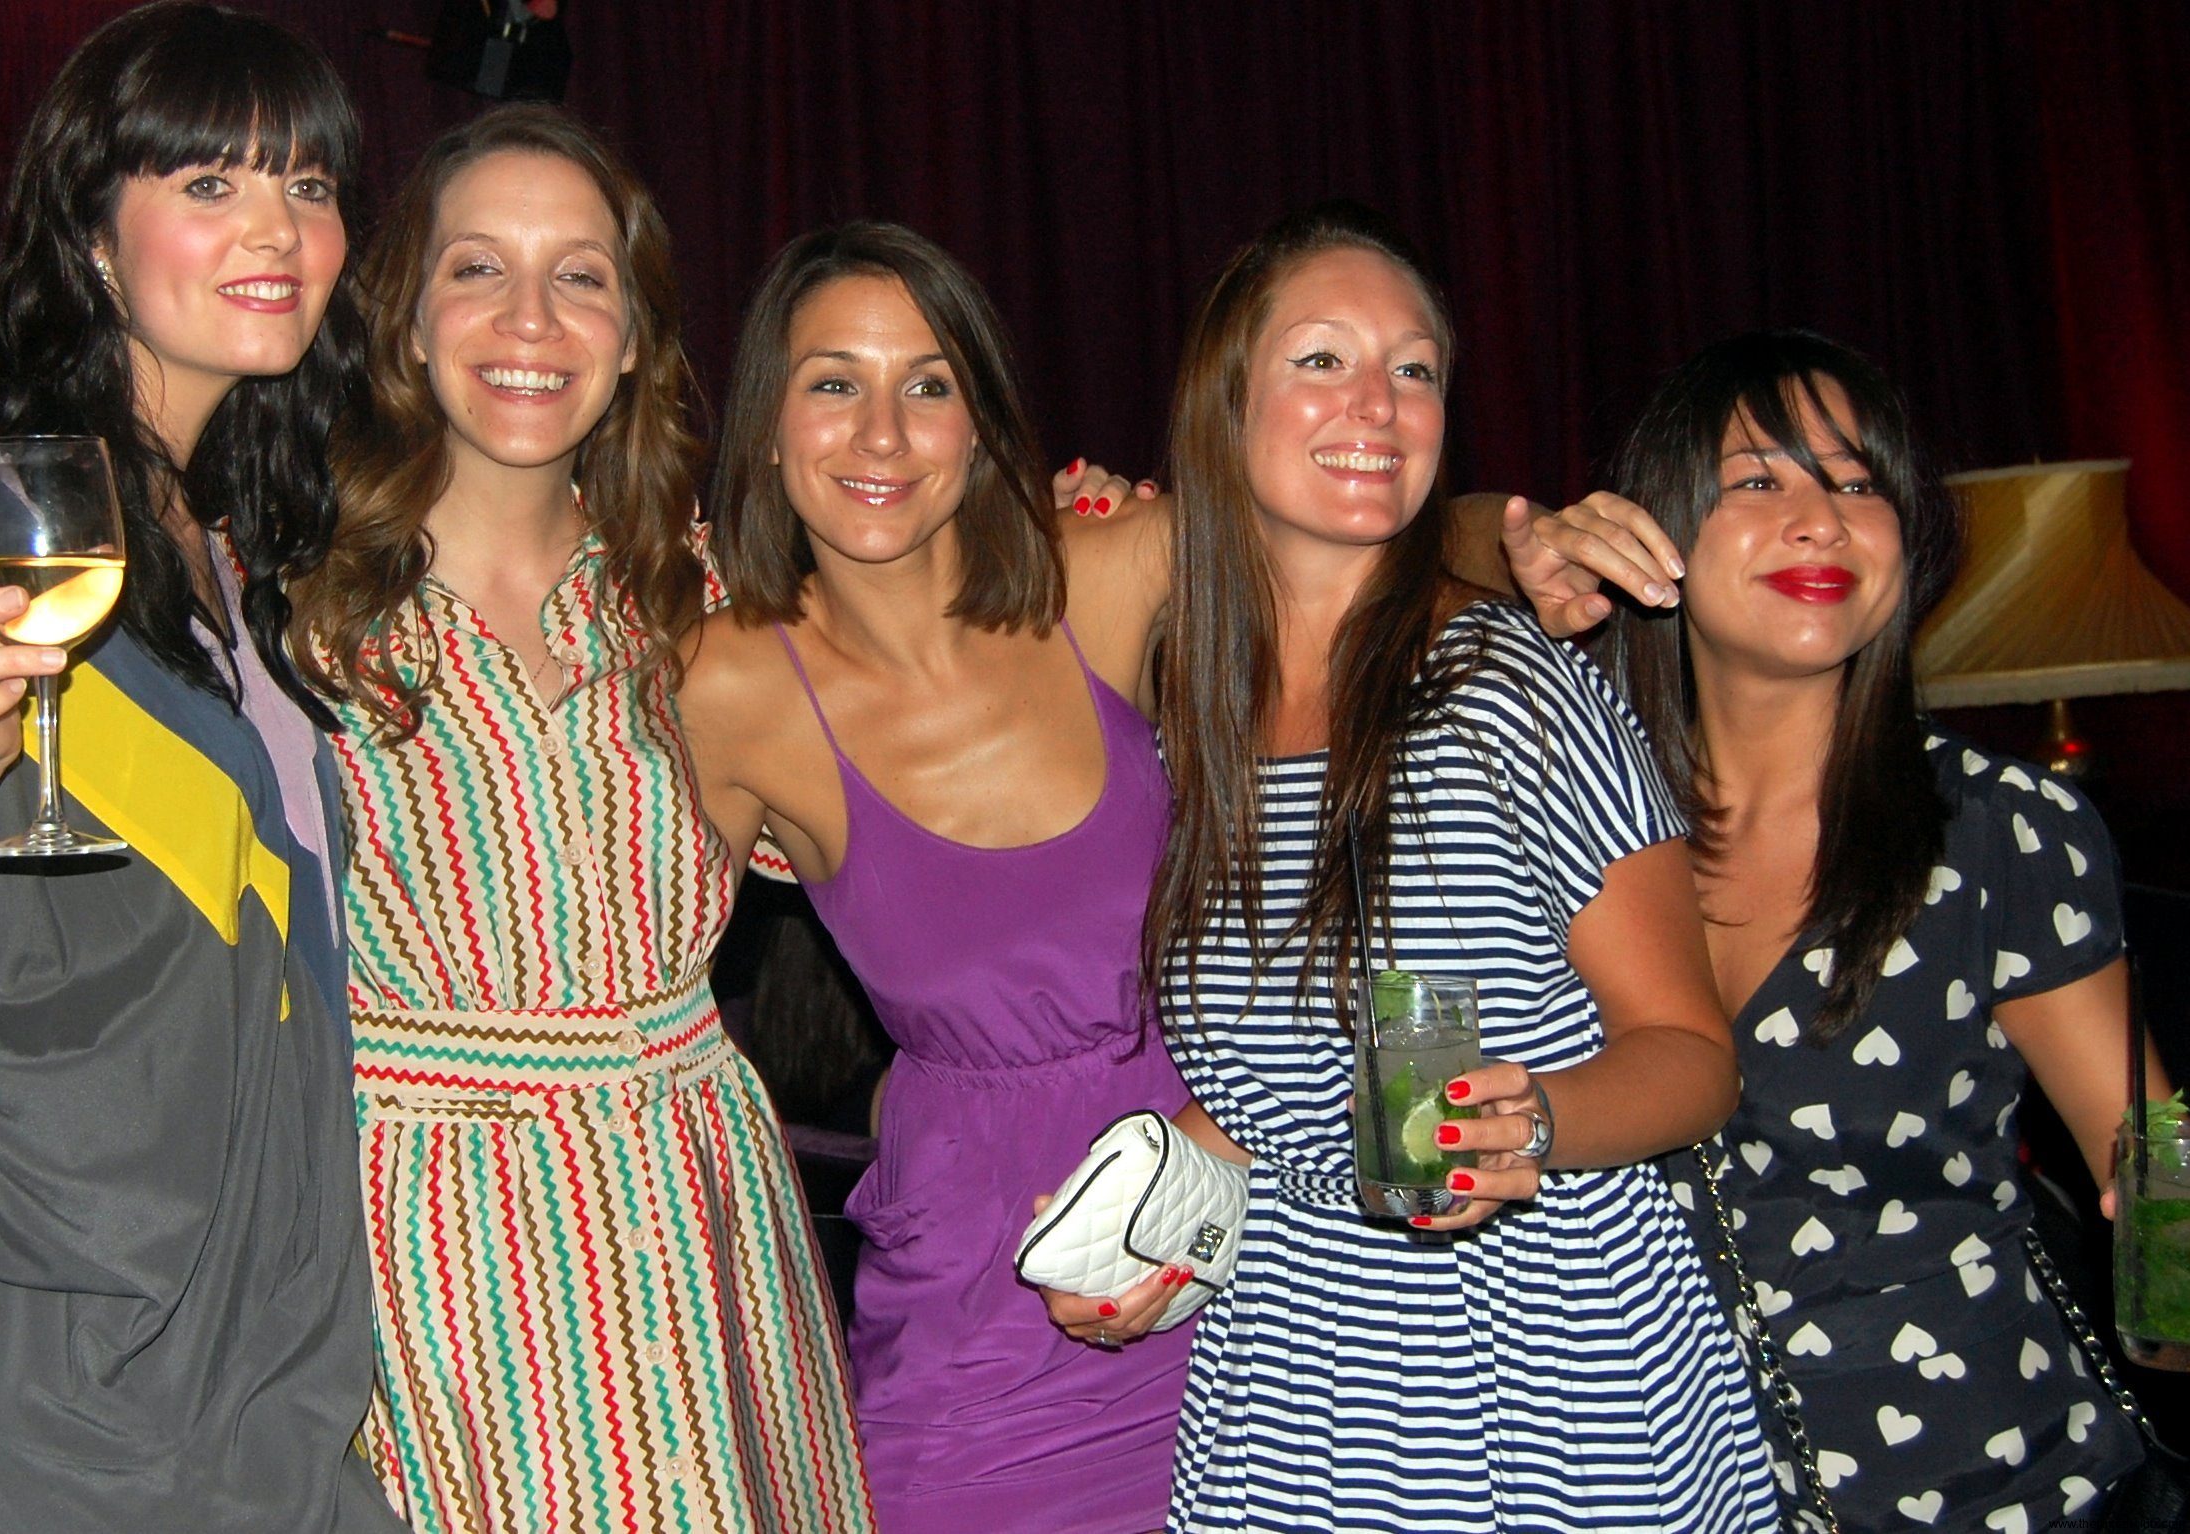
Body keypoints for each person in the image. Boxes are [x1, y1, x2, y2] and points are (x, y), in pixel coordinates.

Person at [0, 5, 403, 1530]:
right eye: (208, 182)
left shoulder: (250, 574)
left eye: (308, 184)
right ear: (94, 239)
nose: (276, 227)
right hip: (44, 1381)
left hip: (267, 1370)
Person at [1127, 203, 1777, 1531]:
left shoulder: (1505, 689)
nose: (1377, 403)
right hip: (1291, 1385)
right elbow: (1280, 1091)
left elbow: (1690, 1056)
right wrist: (1142, 1225)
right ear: (1224, 402)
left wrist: (1527, 1120)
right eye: (1322, 358)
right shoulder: (1184, 716)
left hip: (1550, 1370)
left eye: (1413, 368)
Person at [286, 107, 870, 1534]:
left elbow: (957, 744)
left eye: (581, 275)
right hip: (431, 1237)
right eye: (478, 267)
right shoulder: (288, 614)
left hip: (696, 1215)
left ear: (630, 339)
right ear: (406, 320)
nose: (531, 319)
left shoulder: (712, 609)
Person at [1518, 329, 2148, 1529]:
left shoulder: (2001, 830)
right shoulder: (1557, 822)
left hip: (1987, 1486)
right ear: (1651, 529)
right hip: (1648, 1486)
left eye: (1859, 484)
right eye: (1758, 480)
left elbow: (2147, 1157)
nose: (1820, 520)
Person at [676, 222, 1195, 1534]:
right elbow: (615, 980)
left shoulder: (1107, 574)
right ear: (768, 425)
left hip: (1237, 1243)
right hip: (981, 1321)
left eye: (927, 384)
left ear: (981, 422)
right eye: (832, 382)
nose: (882, 434)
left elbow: (1362, 540)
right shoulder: (727, 685)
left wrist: (1525, 539)